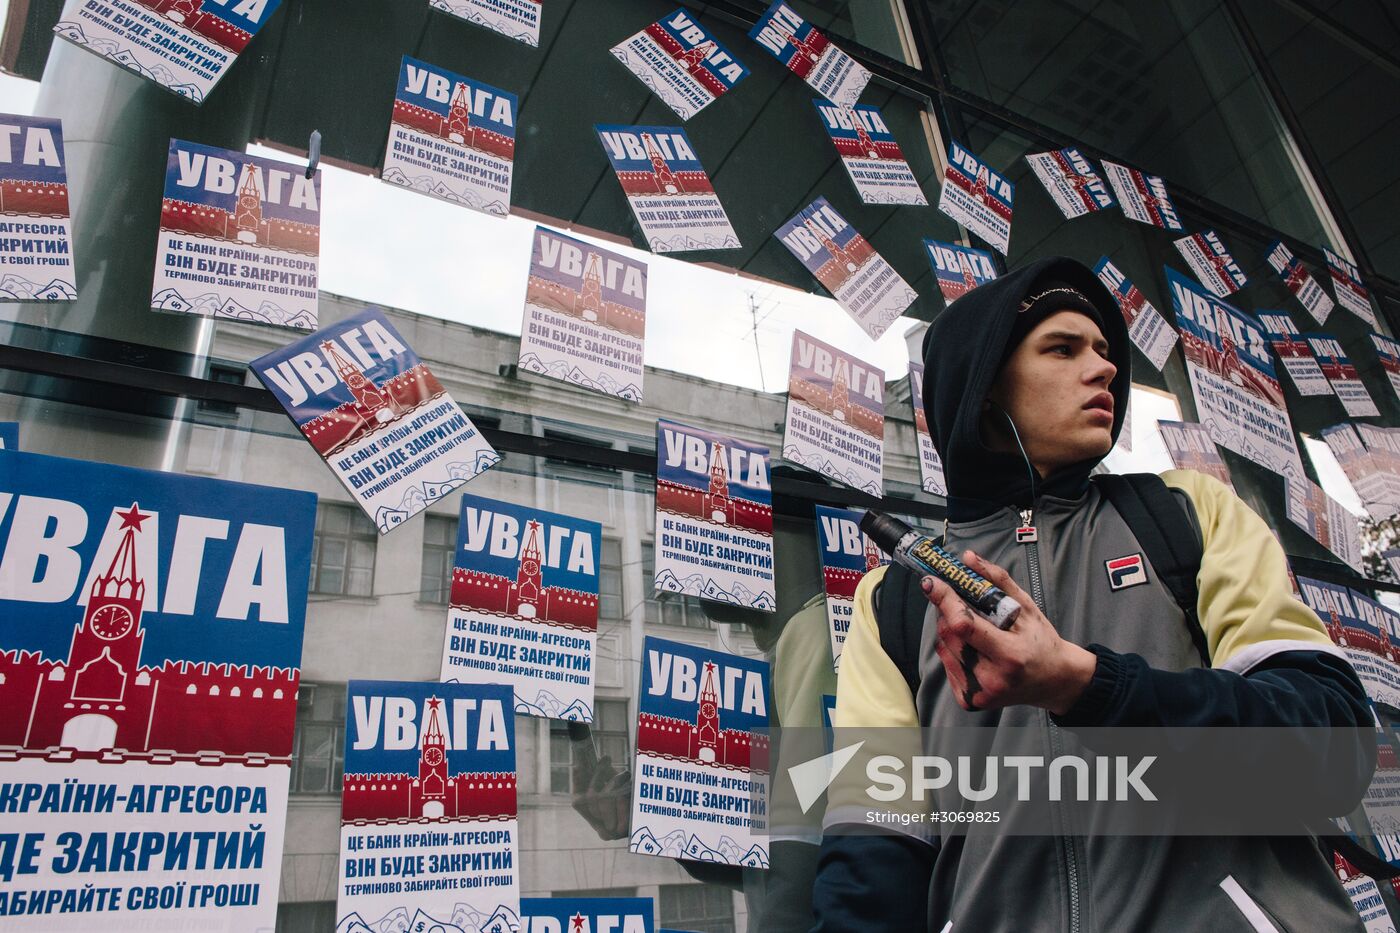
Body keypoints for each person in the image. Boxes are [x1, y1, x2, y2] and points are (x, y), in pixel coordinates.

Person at [811, 256, 1376, 932]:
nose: (1105, 367)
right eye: (1063, 348)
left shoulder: (1187, 513)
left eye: (1105, 350)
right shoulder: (894, 600)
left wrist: (1092, 689)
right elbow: (873, 866)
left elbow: (1332, 749)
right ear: (985, 385)